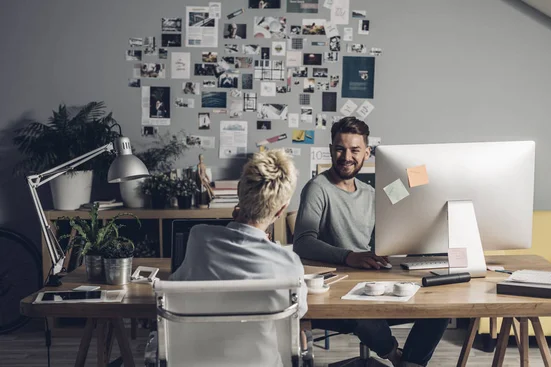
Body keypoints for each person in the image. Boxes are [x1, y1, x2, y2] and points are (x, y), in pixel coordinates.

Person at [293, 117, 450, 367]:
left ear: (367, 152)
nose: (346, 156)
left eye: (355, 150)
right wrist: (349, 256)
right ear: (331, 149)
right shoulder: (317, 188)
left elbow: (388, 235)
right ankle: (397, 358)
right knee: (363, 314)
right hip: (337, 292)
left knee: (441, 310)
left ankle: (411, 364)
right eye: (340, 149)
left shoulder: (372, 194)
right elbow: (302, 242)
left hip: (371, 283)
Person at [172, 149, 306, 366]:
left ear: (239, 191)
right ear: (281, 211)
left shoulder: (199, 238)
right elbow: (297, 313)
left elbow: (176, 288)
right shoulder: (289, 265)